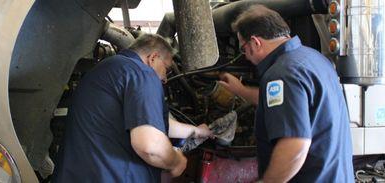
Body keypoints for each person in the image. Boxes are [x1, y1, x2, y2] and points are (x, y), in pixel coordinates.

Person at [218, 5, 354, 182]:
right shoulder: (314, 58)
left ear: (256, 42)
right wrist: (242, 91)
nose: (245, 57)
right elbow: (291, 106)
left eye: (244, 49)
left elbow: (295, 145)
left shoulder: (281, 74)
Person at [52, 34, 212, 182]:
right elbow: (151, 145)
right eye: (167, 69)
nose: (164, 79)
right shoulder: (142, 73)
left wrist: (196, 131)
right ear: (153, 58)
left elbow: (155, 123)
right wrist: (177, 162)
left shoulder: (107, 69)